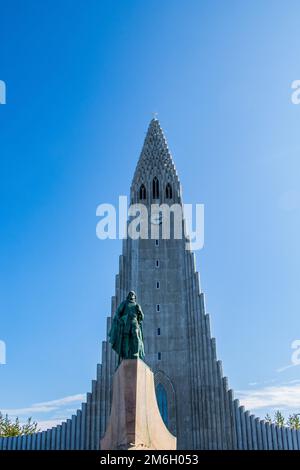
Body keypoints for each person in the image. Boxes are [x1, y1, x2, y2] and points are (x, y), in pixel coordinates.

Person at [109, 291, 145, 363]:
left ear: (135, 296)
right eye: (130, 294)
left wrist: (140, 311)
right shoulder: (125, 303)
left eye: (133, 294)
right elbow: (118, 313)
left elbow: (141, 318)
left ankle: (136, 353)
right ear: (128, 296)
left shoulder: (137, 305)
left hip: (134, 322)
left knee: (136, 335)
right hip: (126, 323)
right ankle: (125, 355)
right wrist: (120, 320)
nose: (131, 295)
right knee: (126, 339)